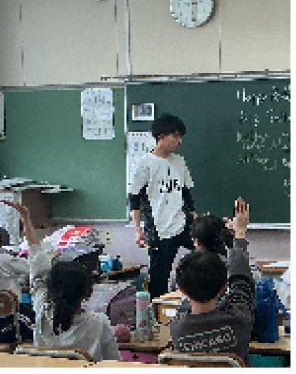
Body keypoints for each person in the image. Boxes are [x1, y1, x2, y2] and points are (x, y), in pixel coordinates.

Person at [14, 200, 119, 361]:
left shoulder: (42, 312)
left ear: (50, 288)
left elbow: (37, 266)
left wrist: (26, 220)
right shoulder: (99, 323)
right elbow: (113, 363)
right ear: (88, 292)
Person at [169, 197, 254, 365]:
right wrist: (239, 234)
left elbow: (239, 281)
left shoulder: (177, 328)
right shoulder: (240, 320)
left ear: (181, 289)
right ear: (225, 287)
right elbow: (241, 281)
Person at [128, 113, 197, 298]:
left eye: (181, 136)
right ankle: (157, 312)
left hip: (183, 224)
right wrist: (138, 229)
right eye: (175, 136)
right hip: (159, 231)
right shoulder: (145, 164)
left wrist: (195, 219)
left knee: (210, 252)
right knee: (159, 280)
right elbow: (134, 198)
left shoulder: (179, 161)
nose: (179, 141)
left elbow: (186, 193)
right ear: (161, 136)